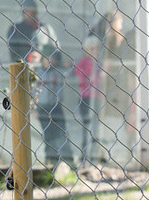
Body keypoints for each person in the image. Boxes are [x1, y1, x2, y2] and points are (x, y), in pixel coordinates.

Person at [35, 45, 70, 167]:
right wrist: (35, 109)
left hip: (56, 107)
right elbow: (33, 92)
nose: (49, 61)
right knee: (48, 135)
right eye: (47, 58)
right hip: (43, 108)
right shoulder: (38, 74)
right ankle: (50, 160)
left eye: (52, 58)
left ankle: (66, 159)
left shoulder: (57, 73)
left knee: (61, 133)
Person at [74, 35, 102, 164]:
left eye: (96, 48)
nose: (94, 51)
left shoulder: (100, 62)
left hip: (97, 98)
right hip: (86, 97)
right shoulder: (84, 62)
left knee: (96, 127)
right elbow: (79, 74)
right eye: (91, 49)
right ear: (86, 50)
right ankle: (84, 155)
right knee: (86, 127)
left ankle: (95, 154)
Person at [6, 0, 58, 65]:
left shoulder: (46, 28)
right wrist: (28, 57)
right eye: (27, 11)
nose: (30, 15)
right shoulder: (15, 29)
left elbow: (56, 51)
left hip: (46, 69)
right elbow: (14, 55)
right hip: (24, 67)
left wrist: (49, 58)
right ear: (23, 13)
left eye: (33, 12)